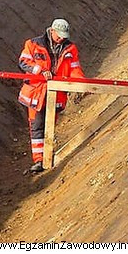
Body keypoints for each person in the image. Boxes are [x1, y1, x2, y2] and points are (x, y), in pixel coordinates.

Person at [18, 18, 85, 173]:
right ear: (52, 30)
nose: (61, 38)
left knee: (49, 126)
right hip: (36, 93)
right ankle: (39, 160)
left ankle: (46, 156)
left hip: (56, 93)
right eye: (59, 35)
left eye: (64, 36)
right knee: (37, 126)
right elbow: (23, 63)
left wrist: (81, 84)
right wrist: (40, 71)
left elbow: (75, 68)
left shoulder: (70, 48)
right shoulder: (33, 44)